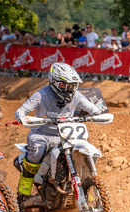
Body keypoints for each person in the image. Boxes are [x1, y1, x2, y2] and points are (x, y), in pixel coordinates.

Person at [14, 63, 101, 197]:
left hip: (65, 135)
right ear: (53, 82)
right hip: (42, 134)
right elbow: (22, 110)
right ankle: (25, 182)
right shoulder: (41, 94)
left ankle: (85, 189)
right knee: (37, 151)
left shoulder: (77, 96)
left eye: (72, 86)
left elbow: (93, 109)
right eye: (64, 85)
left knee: (82, 151)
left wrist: (96, 114)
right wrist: (21, 117)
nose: (68, 89)